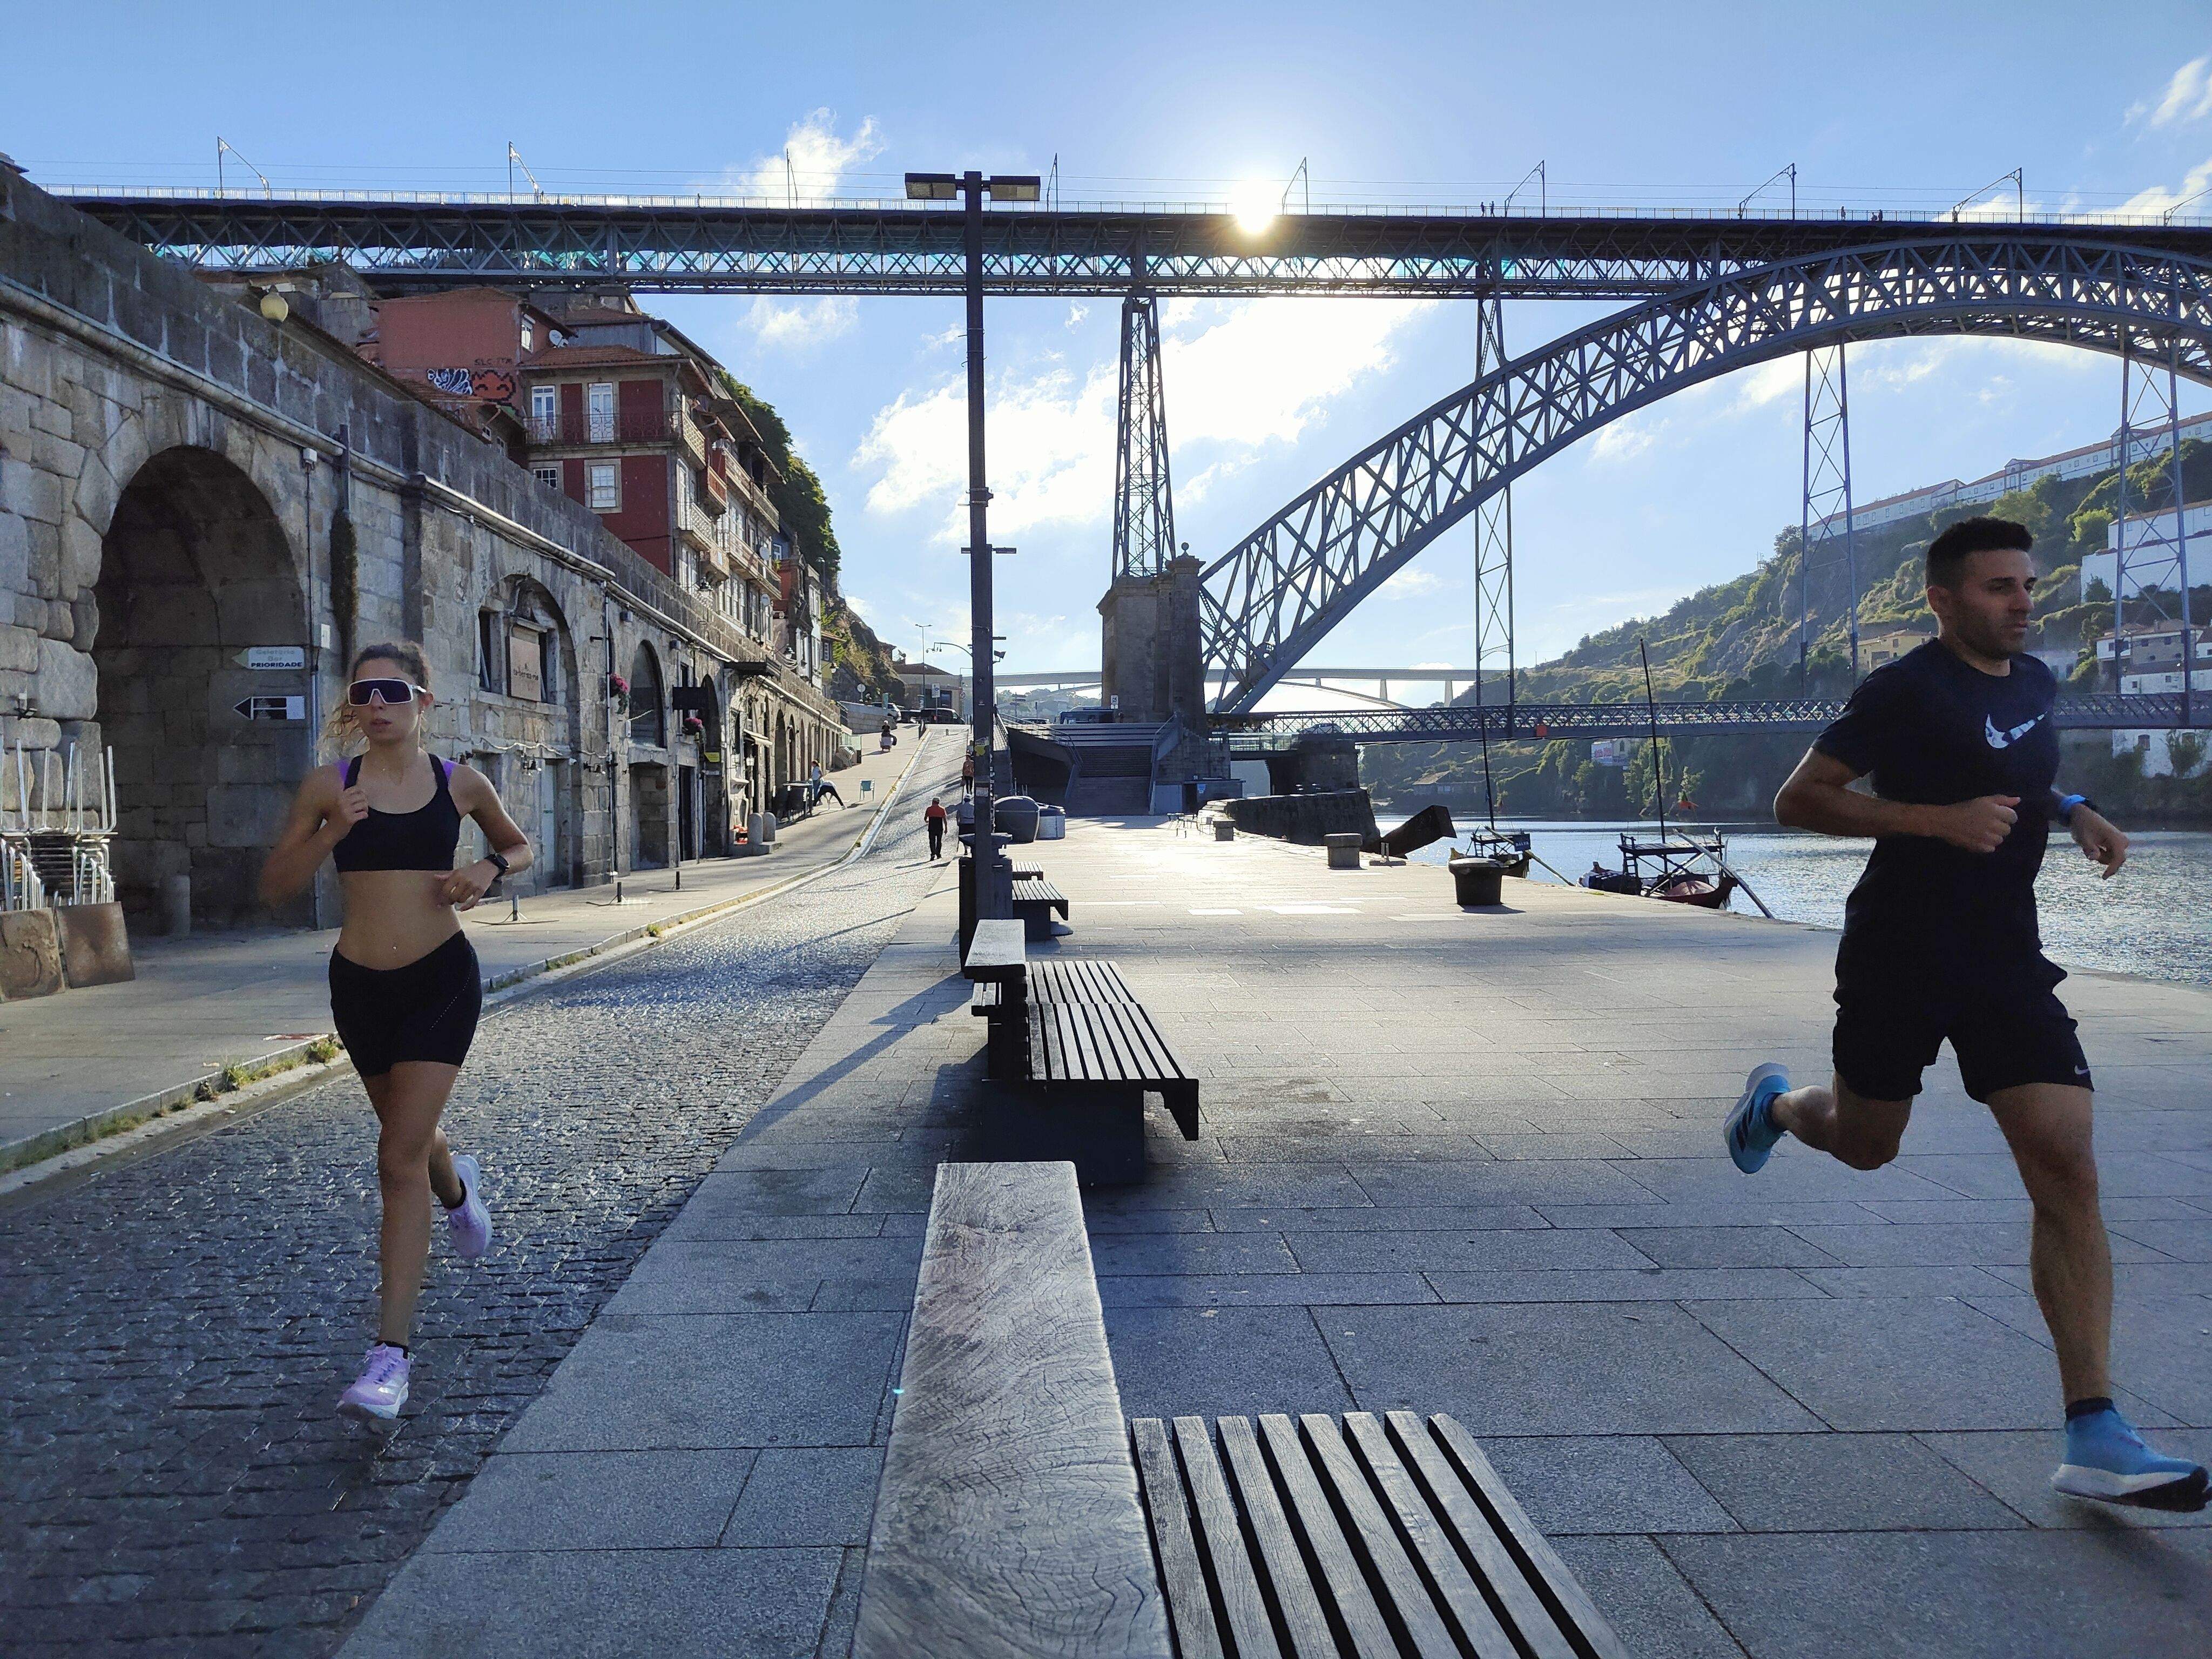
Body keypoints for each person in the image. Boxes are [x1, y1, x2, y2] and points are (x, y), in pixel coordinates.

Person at [1722, 517, 2206, 1513]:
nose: (2022, 601)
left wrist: (2073, 809)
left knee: (2067, 1164)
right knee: (1866, 1144)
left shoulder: (2034, 682)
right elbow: (1798, 799)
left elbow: (2017, 768)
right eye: (1997, 588)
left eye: (2027, 584)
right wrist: (1931, 821)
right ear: (1942, 601)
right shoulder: (1900, 689)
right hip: (1898, 951)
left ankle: (2095, 1428)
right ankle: (1776, 1107)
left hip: (2002, 959)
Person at [260, 642, 533, 1427]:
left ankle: (390, 1360)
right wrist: (327, 834)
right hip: (359, 988)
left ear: (423, 701)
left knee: (393, 1156)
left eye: (393, 692)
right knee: (409, 1139)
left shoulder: (459, 782)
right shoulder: (329, 786)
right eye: (364, 693)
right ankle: (458, 1194)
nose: (378, 705)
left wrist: (486, 871)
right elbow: (275, 887)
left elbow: (517, 845)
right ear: (353, 705)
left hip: (441, 979)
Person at [925, 796, 948, 861]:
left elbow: (925, 817)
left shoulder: (929, 809)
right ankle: (938, 854)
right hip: (939, 827)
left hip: (932, 827)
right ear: (939, 802)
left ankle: (933, 854)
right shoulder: (942, 809)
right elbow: (945, 820)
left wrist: (927, 821)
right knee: (939, 841)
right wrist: (946, 828)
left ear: (933, 802)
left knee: (932, 841)